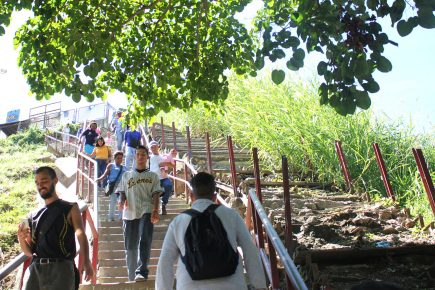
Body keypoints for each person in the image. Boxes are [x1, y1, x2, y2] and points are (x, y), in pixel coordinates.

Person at [155, 172, 267, 290]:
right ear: (214, 196)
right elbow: (250, 250)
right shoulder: (231, 216)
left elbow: (165, 261)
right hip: (232, 285)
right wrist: (259, 285)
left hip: (189, 285)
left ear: (191, 196)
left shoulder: (178, 222)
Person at [17, 166, 94, 290]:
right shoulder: (32, 215)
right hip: (35, 270)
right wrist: (21, 238)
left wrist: (86, 260)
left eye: (44, 181)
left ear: (55, 180)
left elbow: (80, 233)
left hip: (61, 269)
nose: (40, 185)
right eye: (37, 183)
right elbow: (29, 252)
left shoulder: (70, 208)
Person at [116, 145, 162, 282]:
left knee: (144, 240)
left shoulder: (153, 176)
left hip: (146, 211)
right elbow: (122, 192)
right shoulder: (126, 175)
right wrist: (121, 200)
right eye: (138, 154)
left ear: (147, 157)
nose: (141, 157)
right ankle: (132, 277)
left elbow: (156, 194)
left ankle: (141, 272)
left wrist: (155, 210)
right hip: (129, 213)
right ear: (134, 157)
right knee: (130, 247)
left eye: (143, 154)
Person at [96, 151, 126, 221]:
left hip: (122, 186)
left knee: (121, 202)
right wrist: (100, 178)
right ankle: (111, 218)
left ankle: (120, 217)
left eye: (121, 158)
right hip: (113, 186)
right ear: (114, 158)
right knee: (113, 201)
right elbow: (105, 174)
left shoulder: (124, 167)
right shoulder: (111, 165)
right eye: (118, 158)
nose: (120, 160)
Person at [149, 141, 175, 215]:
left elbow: (172, 165)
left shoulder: (163, 157)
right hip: (153, 179)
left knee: (169, 185)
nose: (153, 148)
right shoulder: (149, 158)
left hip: (163, 178)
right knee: (153, 192)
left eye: (155, 146)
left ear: (158, 147)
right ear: (150, 149)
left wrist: (165, 163)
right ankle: (154, 209)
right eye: (152, 147)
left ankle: (164, 204)